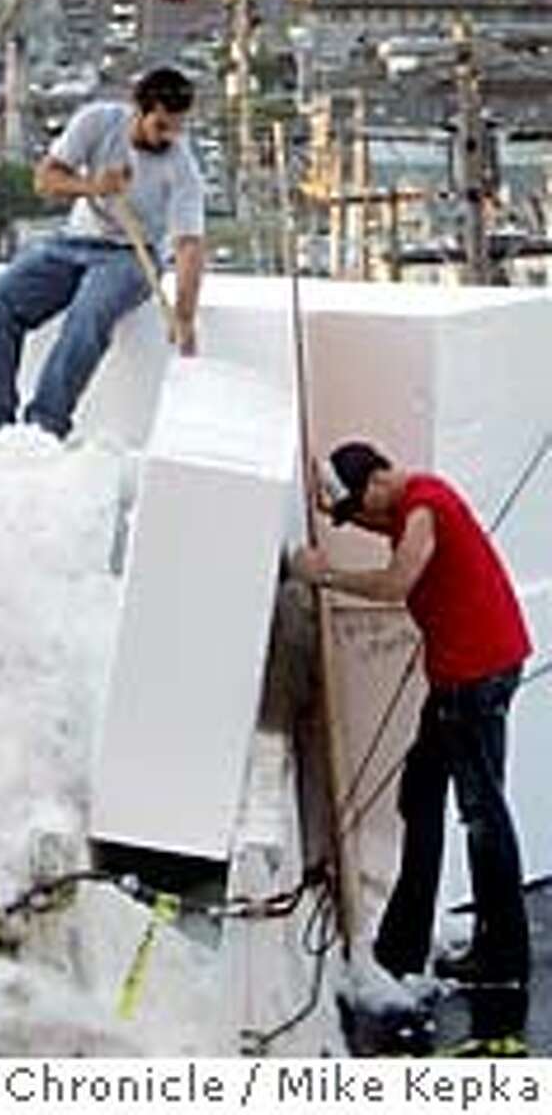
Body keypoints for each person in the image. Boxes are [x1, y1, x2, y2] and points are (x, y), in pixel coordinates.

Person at [292, 440, 531, 1053]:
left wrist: (326, 575)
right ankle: (402, 944)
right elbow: (388, 533)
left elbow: (400, 579)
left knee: (482, 814)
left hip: (476, 679)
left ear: (377, 481)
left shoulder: (425, 503)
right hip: (458, 676)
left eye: (363, 508)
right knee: (421, 792)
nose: (368, 523)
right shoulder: (403, 508)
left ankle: (503, 956)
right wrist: (334, 505)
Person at [0, 65, 204, 442]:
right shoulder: (98, 122)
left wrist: (184, 316)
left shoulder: (181, 164)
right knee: (0, 300)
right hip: (71, 244)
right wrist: (94, 186)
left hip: (131, 256)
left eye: (177, 128)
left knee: (90, 313)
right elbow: (45, 180)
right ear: (138, 110)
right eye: (161, 126)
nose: (168, 137)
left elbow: (188, 243)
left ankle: (44, 426)